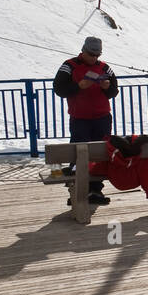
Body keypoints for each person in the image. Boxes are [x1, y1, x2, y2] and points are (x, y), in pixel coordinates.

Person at [52, 36, 118, 205]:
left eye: (97, 55)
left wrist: (107, 88)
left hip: (102, 118)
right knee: (78, 154)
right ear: (83, 51)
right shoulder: (69, 66)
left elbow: (113, 92)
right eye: (91, 54)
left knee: (99, 154)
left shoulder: (104, 68)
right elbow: (59, 89)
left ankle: (95, 190)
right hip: (80, 118)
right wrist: (78, 86)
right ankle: (77, 190)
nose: (94, 58)